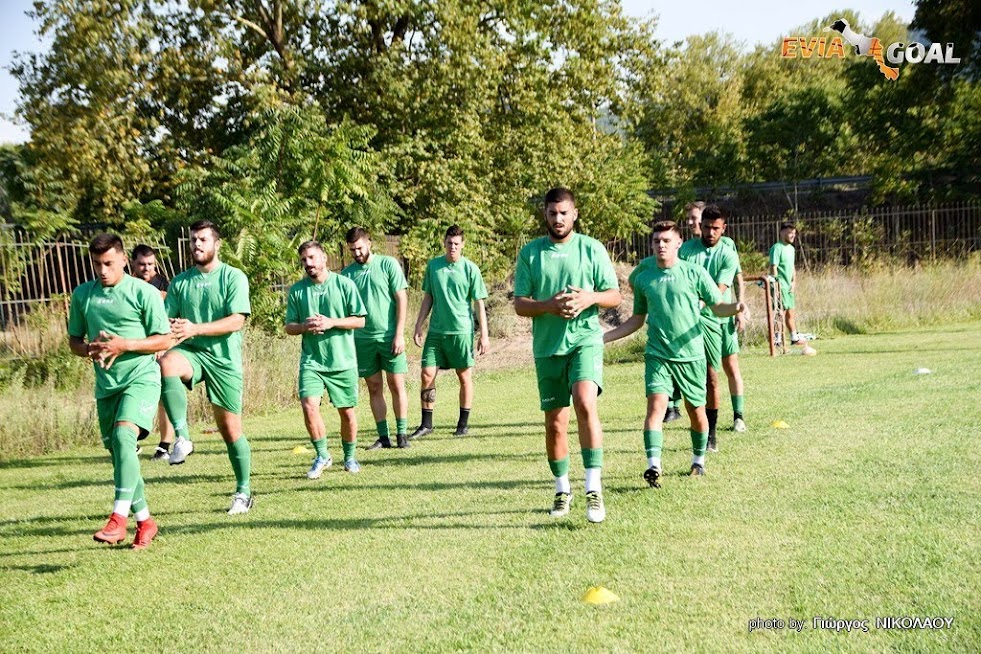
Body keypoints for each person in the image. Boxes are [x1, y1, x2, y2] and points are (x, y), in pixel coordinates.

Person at [604, 221, 747, 486]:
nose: (661, 245)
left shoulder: (695, 273)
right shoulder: (645, 277)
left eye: (666, 240)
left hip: (691, 356)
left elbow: (717, 306)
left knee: (696, 412)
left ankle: (698, 460)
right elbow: (637, 319)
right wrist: (605, 337)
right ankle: (653, 465)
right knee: (656, 407)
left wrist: (736, 307)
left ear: (679, 243)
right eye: (657, 240)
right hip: (658, 354)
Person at [514, 187, 621, 523]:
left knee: (585, 401)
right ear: (544, 214)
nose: (558, 219)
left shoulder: (592, 249)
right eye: (552, 213)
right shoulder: (531, 253)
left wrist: (589, 298)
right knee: (555, 425)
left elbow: (614, 296)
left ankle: (593, 487)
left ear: (574, 213)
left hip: (585, 341)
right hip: (547, 349)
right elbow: (519, 303)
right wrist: (548, 305)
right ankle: (562, 489)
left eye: (564, 213)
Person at [68, 233, 171, 549]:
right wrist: (90, 349)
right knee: (122, 456)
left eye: (109, 263)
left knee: (126, 438)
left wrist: (124, 344)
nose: (102, 270)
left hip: (141, 378)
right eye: (97, 263)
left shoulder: (143, 293)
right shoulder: (83, 295)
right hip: (107, 387)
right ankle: (146, 522)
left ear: (124, 260)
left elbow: (163, 340)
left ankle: (118, 519)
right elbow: (74, 341)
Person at [157, 220, 254, 515]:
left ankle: (243, 491)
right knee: (167, 363)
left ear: (216, 244)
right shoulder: (181, 282)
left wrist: (195, 328)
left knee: (230, 430)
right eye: (192, 240)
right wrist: (160, 338)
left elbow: (237, 320)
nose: (196, 245)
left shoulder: (233, 277)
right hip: (191, 353)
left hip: (224, 361)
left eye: (202, 240)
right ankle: (183, 438)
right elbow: (165, 323)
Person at [286, 240, 367, 477]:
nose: (308, 264)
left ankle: (350, 457)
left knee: (347, 413)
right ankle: (322, 455)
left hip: (342, 361)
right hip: (312, 361)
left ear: (324, 258)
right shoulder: (298, 291)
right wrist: (303, 326)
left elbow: (360, 320)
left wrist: (332, 322)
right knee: (309, 405)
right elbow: (289, 327)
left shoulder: (344, 284)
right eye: (303, 260)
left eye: (312, 258)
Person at [410, 225, 490, 439]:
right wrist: (419, 324)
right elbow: (428, 297)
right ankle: (426, 424)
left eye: (456, 244)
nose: (452, 247)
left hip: (461, 332)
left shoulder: (471, 269)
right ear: (444, 243)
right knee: (427, 374)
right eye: (449, 243)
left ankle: (463, 424)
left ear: (462, 245)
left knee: (464, 376)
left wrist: (484, 334)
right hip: (436, 332)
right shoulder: (434, 266)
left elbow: (478, 303)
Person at [676, 202, 748, 433]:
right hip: (695, 322)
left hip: (722, 317)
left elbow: (724, 285)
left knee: (730, 366)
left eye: (715, 228)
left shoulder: (728, 251)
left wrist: (740, 310)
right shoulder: (686, 250)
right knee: (705, 373)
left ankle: (738, 416)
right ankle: (681, 411)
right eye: (706, 227)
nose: (710, 232)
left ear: (724, 228)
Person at [341, 228, 411, 450]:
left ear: (369, 243)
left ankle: (402, 434)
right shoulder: (346, 274)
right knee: (373, 387)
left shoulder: (388, 264)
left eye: (360, 248)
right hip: (362, 340)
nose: (357, 253)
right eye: (352, 250)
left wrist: (399, 334)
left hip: (389, 336)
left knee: (396, 384)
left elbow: (401, 299)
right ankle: (383, 437)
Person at [130, 244, 176, 461]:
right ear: (133, 264)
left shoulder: (163, 284)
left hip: (159, 347)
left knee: (163, 395)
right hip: (135, 348)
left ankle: (165, 445)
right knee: (132, 393)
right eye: (142, 264)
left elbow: (170, 315)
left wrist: (163, 346)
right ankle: (132, 440)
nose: (147, 268)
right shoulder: (126, 285)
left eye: (150, 264)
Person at [769, 222, 802, 346]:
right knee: (779, 313)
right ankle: (777, 339)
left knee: (790, 312)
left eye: (794, 233)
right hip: (779, 286)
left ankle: (794, 337)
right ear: (782, 233)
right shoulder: (777, 248)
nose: (793, 236)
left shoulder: (791, 249)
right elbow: (774, 267)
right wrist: (776, 284)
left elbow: (792, 267)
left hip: (788, 286)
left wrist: (794, 282)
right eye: (790, 233)